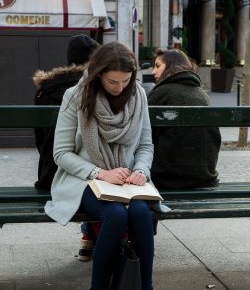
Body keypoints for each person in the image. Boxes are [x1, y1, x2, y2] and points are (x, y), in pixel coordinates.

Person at [44, 42, 155, 290]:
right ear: (97, 76)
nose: (120, 87)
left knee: (140, 213)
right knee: (115, 215)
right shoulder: (75, 96)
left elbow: (146, 145)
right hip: (83, 178)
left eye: (125, 80)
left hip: (126, 180)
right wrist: (101, 173)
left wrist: (140, 171)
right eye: (112, 82)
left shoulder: (139, 96)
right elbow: (61, 153)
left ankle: (145, 286)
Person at [33, 34, 100, 190]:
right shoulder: (97, 86)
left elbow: (40, 140)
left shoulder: (46, 89)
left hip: (50, 175)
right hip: (92, 176)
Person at [148, 48, 221, 189]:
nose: (153, 71)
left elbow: (144, 138)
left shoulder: (160, 93)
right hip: (205, 178)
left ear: (171, 66)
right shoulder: (202, 94)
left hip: (167, 180)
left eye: (157, 66)